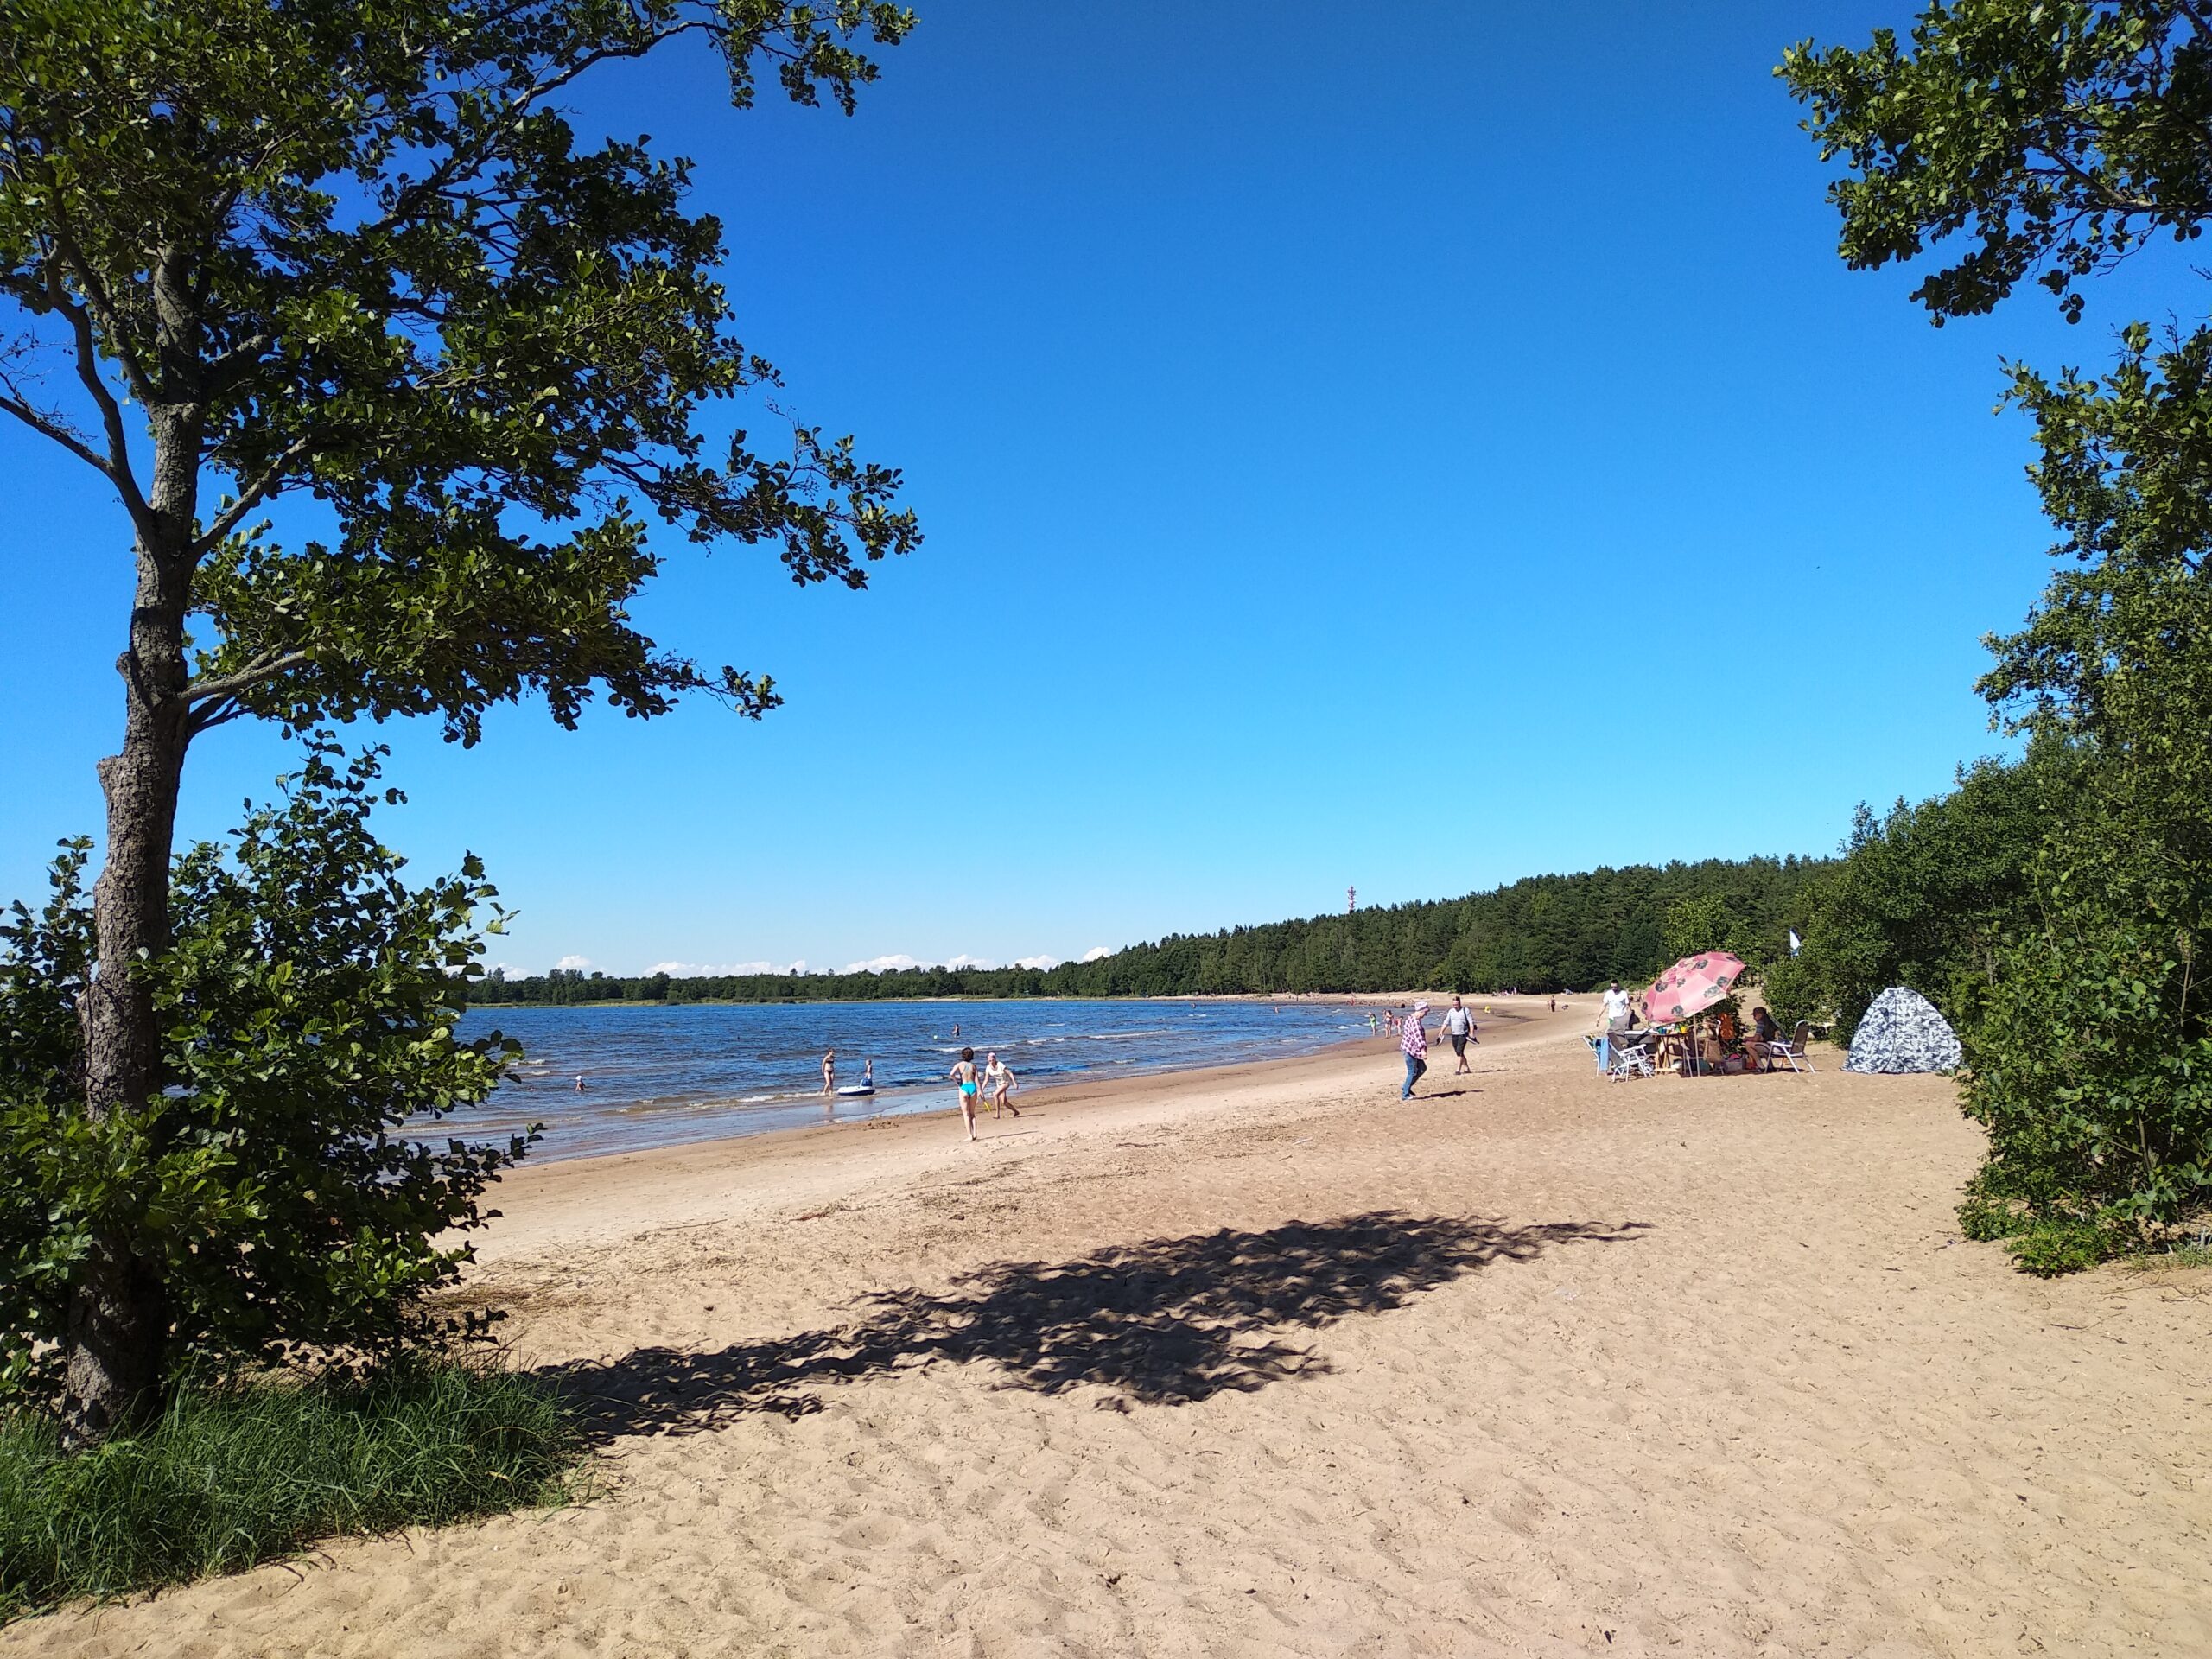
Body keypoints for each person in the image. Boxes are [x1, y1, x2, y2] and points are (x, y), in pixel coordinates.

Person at [948, 1046, 982, 1141]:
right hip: (973, 1087)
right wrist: (981, 1091)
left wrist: (957, 1082)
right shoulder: (974, 1066)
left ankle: (969, 1135)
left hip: (964, 1087)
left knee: (966, 1114)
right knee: (972, 1113)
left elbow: (951, 1074)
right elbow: (977, 1080)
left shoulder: (959, 1064)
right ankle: (975, 1134)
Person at [1400, 1000, 1430, 1099]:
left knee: (1422, 1069)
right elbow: (1418, 1037)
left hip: (1411, 1050)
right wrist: (1423, 1050)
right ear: (1421, 1011)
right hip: (1411, 1050)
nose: (1425, 1015)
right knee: (1412, 1071)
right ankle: (1405, 1094)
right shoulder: (1415, 1021)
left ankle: (1406, 1087)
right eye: (1425, 1012)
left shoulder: (1410, 1018)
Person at [1442, 995, 1478, 1074]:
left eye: (1456, 1004)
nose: (1455, 1006)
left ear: (1459, 1003)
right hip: (1454, 1034)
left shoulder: (1466, 1010)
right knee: (1458, 1052)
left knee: (1459, 1051)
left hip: (1463, 1034)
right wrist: (1441, 1032)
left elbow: (1471, 1022)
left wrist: (1471, 1033)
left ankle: (1458, 1070)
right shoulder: (1451, 1011)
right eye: (1453, 1004)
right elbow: (1446, 1022)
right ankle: (1467, 1068)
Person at [983, 1052, 1019, 1116]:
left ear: (995, 1059)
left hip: (1006, 1082)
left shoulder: (1000, 1065)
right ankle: (1016, 1112)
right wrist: (981, 1089)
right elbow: (986, 1080)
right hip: (999, 1084)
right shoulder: (988, 1068)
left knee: (995, 1095)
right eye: (988, 1058)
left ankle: (997, 1114)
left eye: (991, 1058)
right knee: (1004, 1102)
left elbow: (1010, 1073)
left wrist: (1014, 1082)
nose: (990, 1060)